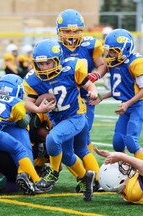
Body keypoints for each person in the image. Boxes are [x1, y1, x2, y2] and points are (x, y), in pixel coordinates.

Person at [23, 39, 98, 201]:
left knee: (52, 138)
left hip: (75, 116)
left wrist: (93, 91)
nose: (43, 67)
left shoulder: (71, 68)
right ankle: (86, 178)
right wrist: (38, 110)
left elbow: (88, 85)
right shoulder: (34, 79)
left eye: (47, 63)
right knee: (67, 155)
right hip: (58, 121)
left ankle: (53, 173)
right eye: (40, 64)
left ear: (57, 60)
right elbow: (28, 102)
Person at [56, 8, 107, 191]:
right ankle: (88, 178)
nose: (72, 35)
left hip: (85, 100)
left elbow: (102, 65)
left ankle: (92, 179)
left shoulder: (90, 45)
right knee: (71, 145)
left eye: (76, 30)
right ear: (59, 31)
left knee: (81, 143)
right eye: (67, 31)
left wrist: (95, 77)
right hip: (63, 105)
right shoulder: (55, 49)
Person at [91, 28, 143, 162]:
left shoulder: (135, 63)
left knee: (131, 141)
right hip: (126, 106)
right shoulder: (115, 63)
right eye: (109, 50)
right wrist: (101, 97)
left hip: (136, 106)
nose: (110, 54)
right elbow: (118, 89)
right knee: (117, 142)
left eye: (114, 51)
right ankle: (124, 167)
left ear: (126, 49)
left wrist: (127, 104)